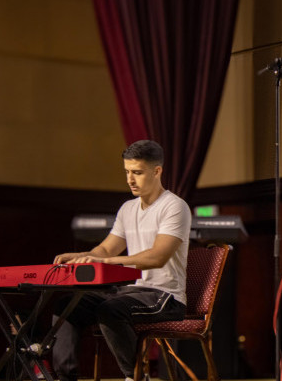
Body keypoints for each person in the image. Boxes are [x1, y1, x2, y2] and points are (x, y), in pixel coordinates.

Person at [52, 140, 192, 381]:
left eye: (137, 172)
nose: (130, 179)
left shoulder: (175, 207)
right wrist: (81, 257)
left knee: (111, 310)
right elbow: (106, 248)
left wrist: (108, 261)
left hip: (165, 297)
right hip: (130, 292)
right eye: (127, 172)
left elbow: (157, 257)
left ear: (157, 171)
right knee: (68, 305)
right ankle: (64, 377)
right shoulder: (127, 208)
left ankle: (135, 376)